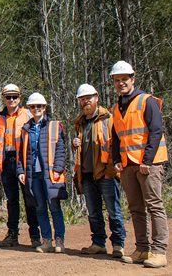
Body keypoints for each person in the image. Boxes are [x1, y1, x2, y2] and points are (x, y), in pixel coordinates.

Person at [109, 61, 169, 268]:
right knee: (135, 208)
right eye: (117, 80)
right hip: (127, 165)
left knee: (154, 205)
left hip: (148, 164)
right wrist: (117, 160)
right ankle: (142, 249)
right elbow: (116, 137)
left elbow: (156, 131)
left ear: (132, 79)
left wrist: (147, 161)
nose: (121, 83)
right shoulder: (116, 107)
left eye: (124, 79)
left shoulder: (147, 101)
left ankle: (159, 252)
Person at [71, 84, 125, 258]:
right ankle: (98, 243)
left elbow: (114, 146)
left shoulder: (108, 119)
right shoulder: (80, 123)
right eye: (82, 99)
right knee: (93, 213)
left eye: (88, 98)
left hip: (105, 174)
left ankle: (118, 244)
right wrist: (75, 144)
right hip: (86, 175)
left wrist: (110, 172)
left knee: (113, 211)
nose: (86, 101)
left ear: (96, 98)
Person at [17, 92, 67, 254]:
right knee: (39, 208)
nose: (36, 109)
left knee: (54, 207)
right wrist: (20, 171)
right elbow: (21, 153)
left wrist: (59, 169)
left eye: (39, 106)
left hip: (51, 174)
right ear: (29, 108)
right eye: (32, 106)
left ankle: (59, 240)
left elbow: (60, 149)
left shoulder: (54, 126)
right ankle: (47, 241)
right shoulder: (26, 129)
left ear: (44, 107)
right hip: (33, 175)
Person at [0, 84, 40, 248]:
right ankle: (12, 234)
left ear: (19, 98)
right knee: (11, 201)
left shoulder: (27, 113)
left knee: (30, 199)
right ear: (4, 99)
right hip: (7, 163)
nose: (11, 100)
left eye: (14, 97)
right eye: (8, 97)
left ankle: (35, 235)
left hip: (24, 162)